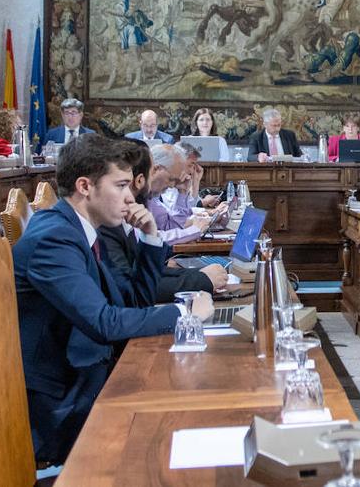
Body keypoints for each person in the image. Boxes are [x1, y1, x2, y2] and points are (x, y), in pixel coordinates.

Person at [13, 133, 211, 462]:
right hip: (64, 402)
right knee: (185, 414)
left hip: (87, 372)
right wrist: (185, 311)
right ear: (85, 186)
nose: (130, 198)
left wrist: (150, 238)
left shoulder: (79, 228)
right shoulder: (55, 238)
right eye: (119, 186)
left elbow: (132, 303)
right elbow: (105, 322)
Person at [98, 141, 227, 301]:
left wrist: (198, 275)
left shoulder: (127, 213)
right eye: (121, 185)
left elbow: (143, 273)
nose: (174, 184)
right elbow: (130, 292)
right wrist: (201, 280)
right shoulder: (106, 224)